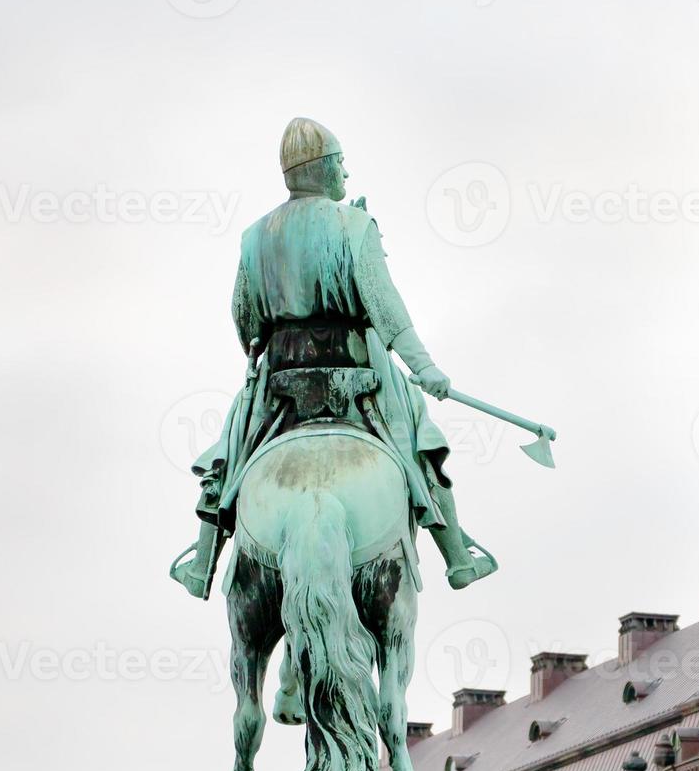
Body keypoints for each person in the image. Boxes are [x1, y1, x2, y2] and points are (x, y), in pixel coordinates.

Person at [170, 118, 497, 599]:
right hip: (358, 372)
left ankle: (203, 561)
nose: (347, 172)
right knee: (420, 439)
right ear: (323, 168)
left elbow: (244, 319)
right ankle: (456, 556)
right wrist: (424, 368)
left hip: (282, 375)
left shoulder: (254, 236)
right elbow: (387, 308)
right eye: (342, 162)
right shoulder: (355, 224)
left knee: (232, 445)